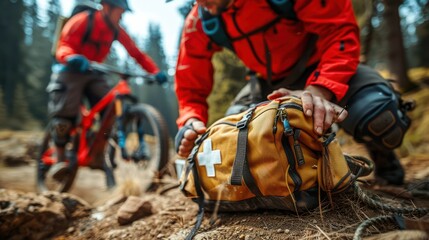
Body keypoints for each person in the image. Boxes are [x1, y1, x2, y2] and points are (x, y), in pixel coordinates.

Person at [174, 0, 411, 186]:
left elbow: (340, 32)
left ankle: (385, 163)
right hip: (264, 84)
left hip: (323, 64)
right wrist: (191, 121)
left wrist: (318, 91)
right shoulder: (200, 21)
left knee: (378, 115)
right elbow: (189, 86)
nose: (199, 1)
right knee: (235, 142)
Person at [47, 0, 167, 176]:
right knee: (66, 113)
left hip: (93, 73)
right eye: (120, 11)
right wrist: (72, 57)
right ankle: (59, 159)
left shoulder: (116, 30)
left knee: (109, 109)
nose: (122, 15)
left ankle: (96, 153)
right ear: (106, 7)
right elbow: (63, 45)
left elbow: (137, 54)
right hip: (70, 70)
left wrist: (155, 72)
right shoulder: (82, 21)